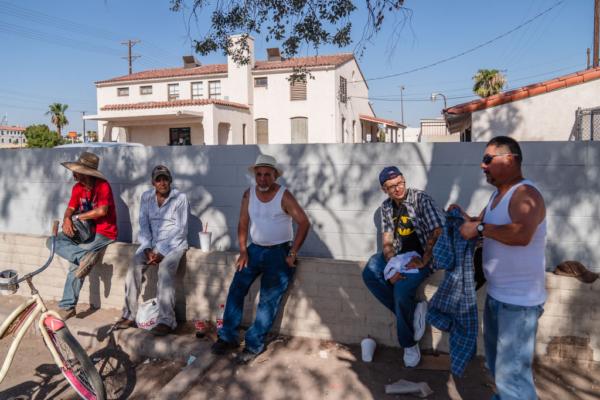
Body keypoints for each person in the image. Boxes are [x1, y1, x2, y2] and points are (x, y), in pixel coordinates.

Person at [454, 136, 546, 400]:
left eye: (487, 160)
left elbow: (521, 234)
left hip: (518, 304)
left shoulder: (526, 194)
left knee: (512, 378)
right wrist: (465, 219)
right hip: (497, 298)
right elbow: (481, 225)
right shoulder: (497, 196)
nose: (482, 166)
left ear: (509, 159)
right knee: (498, 370)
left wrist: (480, 228)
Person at [211, 154, 310, 364]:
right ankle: (227, 336)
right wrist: (243, 250)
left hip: (278, 252)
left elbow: (303, 222)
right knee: (236, 288)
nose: (263, 179)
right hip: (254, 250)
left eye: (267, 174)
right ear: (254, 175)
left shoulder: (284, 196)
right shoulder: (249, 195)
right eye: (259, 174)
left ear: (275, 175)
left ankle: (254, 344)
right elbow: (243, 223)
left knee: (267, 300)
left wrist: (293, 253)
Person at [362, 166, 444, 367]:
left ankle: (408, 344)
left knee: (401, 291)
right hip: (399, 256)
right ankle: (414, 310)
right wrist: (391, 268)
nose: (398, 189)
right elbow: (388, 242)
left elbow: (438, 230)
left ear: (404, 180)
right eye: (391, 187)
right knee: (370, 270)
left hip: (422, 256)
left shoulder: (420, 199)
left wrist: (425, 259)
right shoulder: (386, 208)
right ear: (385, 190)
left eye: (400, 183)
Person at [114, 165, 189, 336]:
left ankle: (166, 321)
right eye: (158, 179)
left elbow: (181, 230)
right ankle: (129, 315)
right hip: (152, 246)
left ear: (170, 180)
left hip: (174, 246)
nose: (162, 183)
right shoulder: (147, 197)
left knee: (164, 270)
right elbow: (143, 225)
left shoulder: (180, 198)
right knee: (134, 266)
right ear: (153, 182)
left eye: (165, 179)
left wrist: (161, 252)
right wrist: (147, 248)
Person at [53, 152, 118, 320]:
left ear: (86, 173)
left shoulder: (103, 186)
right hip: (84, 231)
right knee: (52, 241)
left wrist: (77, 217)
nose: (74, 175)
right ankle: (83, 257)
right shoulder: (77, 188)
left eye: (77, 171)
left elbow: (102, 211)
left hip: (104, 233)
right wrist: (67, 218)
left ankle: (68, 306)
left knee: (75, 266)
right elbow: (70, 208)